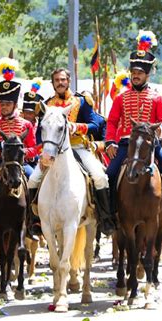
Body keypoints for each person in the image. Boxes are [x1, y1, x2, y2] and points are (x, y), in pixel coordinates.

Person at [105, 31, 162, 229]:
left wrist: (160, 130)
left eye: (140, 73)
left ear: (147, 74)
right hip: (126, 143)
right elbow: (112, 122)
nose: (136, 76)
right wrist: (110, 143)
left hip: (150, 144)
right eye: (134, 72)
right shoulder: (121, 98)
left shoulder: (157, 97)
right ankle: (109, 215)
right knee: (109, 174)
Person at [28, 67, 115, 236]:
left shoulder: (81, 102)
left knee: (100, 176)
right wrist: (41, 151)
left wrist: (77, 127)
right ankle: (35, 221)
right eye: (56, 80)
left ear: (68, 81)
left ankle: (105, 218)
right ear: (52, 83)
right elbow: (40, 134)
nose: (60, 83)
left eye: (63, 80)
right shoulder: (46, 105)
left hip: (78, 147)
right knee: (33, 179)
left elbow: (95, 124)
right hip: (53, 150)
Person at [0, 58, 39, 181]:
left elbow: (33, 149)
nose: (4, 107)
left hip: (20, 163)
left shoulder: (26, 124)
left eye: (8, 104)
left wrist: (21, 151)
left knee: (35, 181)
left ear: (15, 105)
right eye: (2, 104)